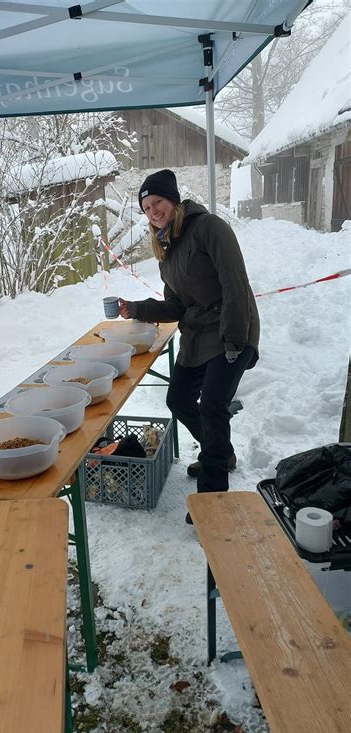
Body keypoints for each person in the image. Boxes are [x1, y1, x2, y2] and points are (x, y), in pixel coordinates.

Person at [119, 169, 260, 510]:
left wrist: (234, 340)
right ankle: (220, 453)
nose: (153, 211)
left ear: (174, 201)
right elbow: (177, 305)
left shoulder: (208, 228)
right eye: (147, 207)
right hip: (198, 336)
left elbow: (234, 282)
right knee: (179, 399)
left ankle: (212, 501)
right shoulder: (169, 248)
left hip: (230, 330)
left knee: (212, 407)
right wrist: (136, 308)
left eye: (158, 202)